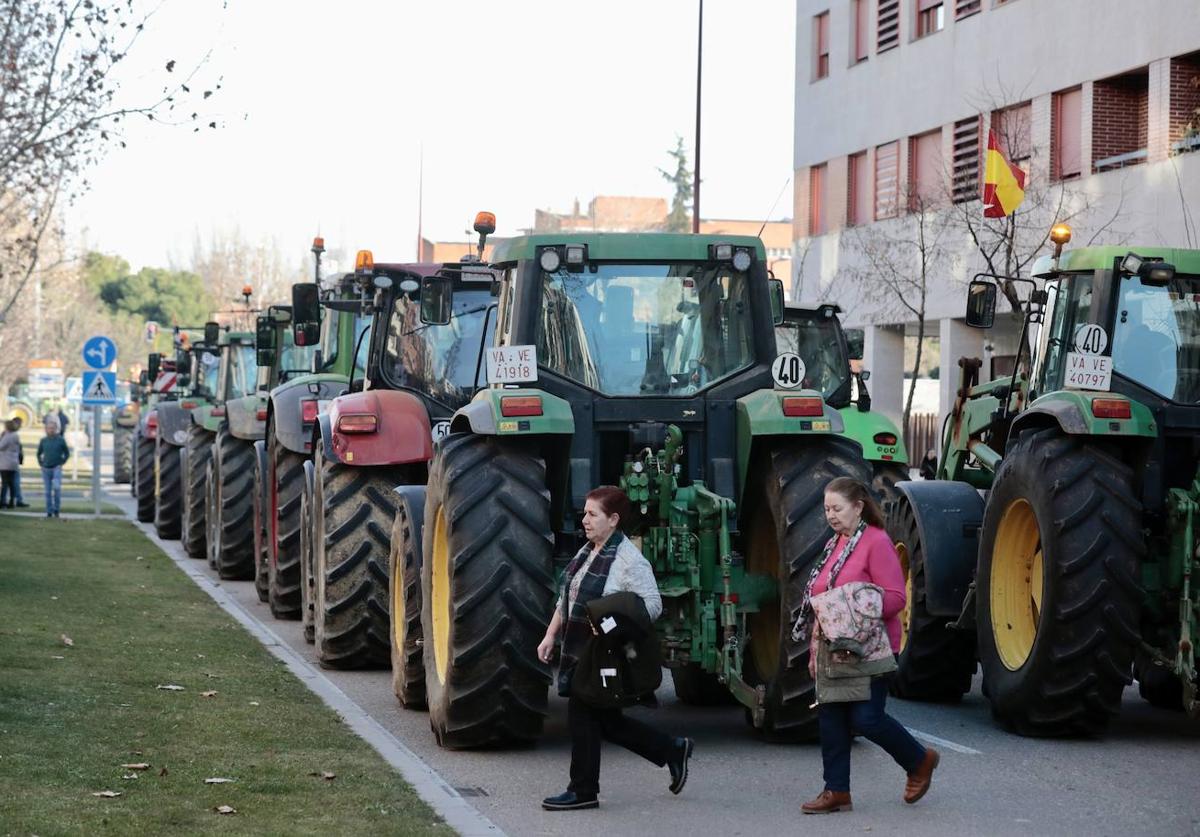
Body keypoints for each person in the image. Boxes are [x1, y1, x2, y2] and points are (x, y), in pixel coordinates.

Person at [537, 486, 693, 811]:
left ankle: (582, 791)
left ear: (614, 519)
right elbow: (567, 597)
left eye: (593, 514)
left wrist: (612, 622)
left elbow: (651, 605)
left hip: (604, 651)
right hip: (582, 648)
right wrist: (551, 634)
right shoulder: (589, 551)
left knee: (582, 714)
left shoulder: (628, 561)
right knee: (604, 721)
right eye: (584, 513)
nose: (585, 520)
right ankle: (670, 750)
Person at [795, 476, 938, 814]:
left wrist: (848, 608)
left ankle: (919, 761)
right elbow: (821, 596)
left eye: (837, 508)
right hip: (835, 648)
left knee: (867, 719)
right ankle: (836, 791)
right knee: (831, 718)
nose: (830, 515)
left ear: (858, 507)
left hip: (872, 648)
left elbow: (894, 598)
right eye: (827, 508)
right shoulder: (836, 543)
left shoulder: (876, 542)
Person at [37, 418, 71, 518]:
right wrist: (41, 463)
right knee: (47, 492)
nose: (51, 430)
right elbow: (38, 453)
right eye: (49, 428)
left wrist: (62, 463)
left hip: (57, 468)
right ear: (46, 429)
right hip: (46, 469)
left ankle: (56, 509)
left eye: (53, 428)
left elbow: (67, 453)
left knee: (56, 489)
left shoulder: (60, 440)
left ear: (56, 429)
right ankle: (49, 511)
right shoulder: (43, 441)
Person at [9, 416, 29, 507]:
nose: (20, 427)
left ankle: (15, 500)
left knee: (12, 482)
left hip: (12, 461)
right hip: (11, 462)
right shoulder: (11, 435)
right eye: (19, 425)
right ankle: (16, 500)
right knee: (14, 482)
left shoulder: (10, 434)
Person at [0, 419, 20, 508]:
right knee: (11, 483)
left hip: (5, 463)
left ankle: (2, 501)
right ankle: (13, 501)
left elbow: (1, 446)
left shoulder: (8, 436)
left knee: (5, 483)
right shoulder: (16, 435)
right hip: (13, 462)